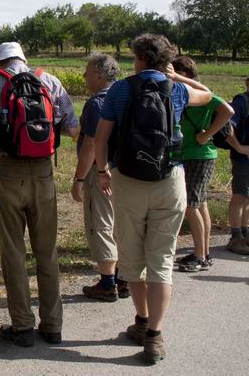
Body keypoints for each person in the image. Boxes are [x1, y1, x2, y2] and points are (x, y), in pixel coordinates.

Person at [94, 34, 212, 365]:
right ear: (165, 60)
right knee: (161, 259)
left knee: (131, 256)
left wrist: (103, 172)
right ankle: (155, 336)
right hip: (169, 179)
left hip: (129, 181)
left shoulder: (120, 90)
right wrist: (178, 76)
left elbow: (102, 137)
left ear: (139, 59)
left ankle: (142, 320)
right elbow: (210, 96)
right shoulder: (176, 90)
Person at [0, 42, 79, 347]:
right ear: (24, 61)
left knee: (13, 252)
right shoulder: (49, 80)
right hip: (43, 173)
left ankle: (23, 326)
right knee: (47, 250)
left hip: (8, 173)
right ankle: (53, 326)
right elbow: (72, 126)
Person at [71, 53, 130, 301]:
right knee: (120, 225)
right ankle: (123, 278)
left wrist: (79, 179)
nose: (84, 76)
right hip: (125, 171)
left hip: (101, 171)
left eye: (88, 71)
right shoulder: (125, 98)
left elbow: (92, 144)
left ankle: (107, 285)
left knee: (101, 224)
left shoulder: (97, 104)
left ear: (100, 74)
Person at [170, 56, 235, 270]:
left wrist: (206, 135)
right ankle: (203, 253)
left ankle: (199, 257)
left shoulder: (202, 94)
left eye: (175, 74)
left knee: (191, 205)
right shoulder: (187, 94)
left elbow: (228, 110)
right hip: (191, 153)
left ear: (184, 74)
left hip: (199, 154)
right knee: (201, 204)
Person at [225, 77, 249, 255]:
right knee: (240, 196)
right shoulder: (242, 101)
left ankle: (245, 232)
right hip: (243, 159)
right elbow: (227, 126)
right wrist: (239, 147)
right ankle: (235, 237)